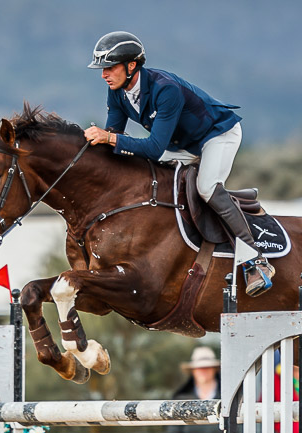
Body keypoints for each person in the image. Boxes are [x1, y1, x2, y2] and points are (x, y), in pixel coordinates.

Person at [83, 31, 275, 297]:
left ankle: (255, 260)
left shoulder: (165, 89)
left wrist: (110, 138)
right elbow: (114, 142)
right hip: (182, 145)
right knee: (150, 174)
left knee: (207, 187)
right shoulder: (116, 93)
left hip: (217, 135)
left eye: (110, 67)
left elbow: (150, 147)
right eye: (102, 69)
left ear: (131, 66)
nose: (104, 74)